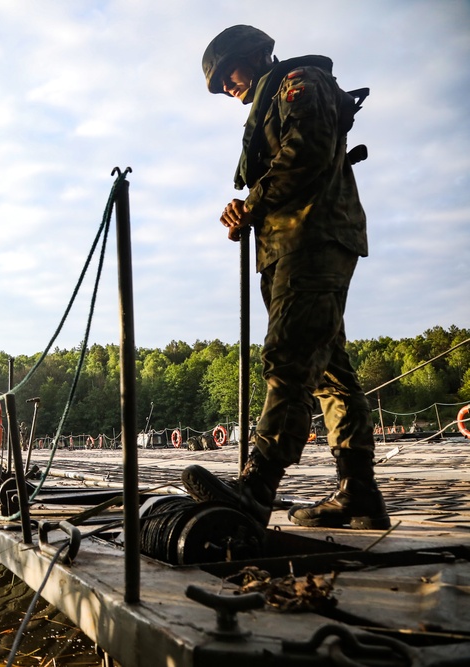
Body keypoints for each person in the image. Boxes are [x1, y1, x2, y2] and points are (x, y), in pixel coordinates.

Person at [181, 25, 388, 530]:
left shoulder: (301, 81)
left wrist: (249, 204)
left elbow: (307, 150)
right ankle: (358, 492)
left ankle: (257, 486)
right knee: (330, 369)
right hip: (287, 248)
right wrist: (247, 211)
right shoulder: (270, 100)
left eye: (227, 75)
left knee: (290, 356)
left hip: (312, 241)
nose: (227, 88)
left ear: (252, 56)